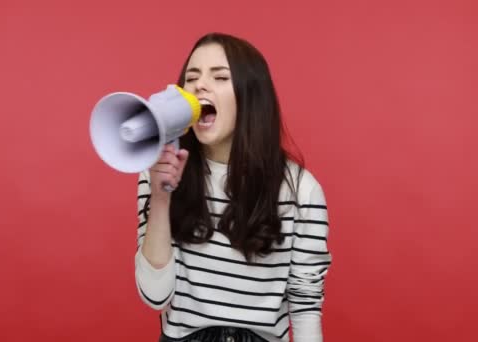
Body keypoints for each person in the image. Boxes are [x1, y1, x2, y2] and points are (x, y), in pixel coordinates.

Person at [134, 32, 332, 342]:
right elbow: (155, 296)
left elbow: (305, 306)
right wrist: (161, 198)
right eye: (192, 77)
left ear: (250, 95)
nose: (200, 85)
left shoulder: (301, 191)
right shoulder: (158, 174)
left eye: (220, 77)